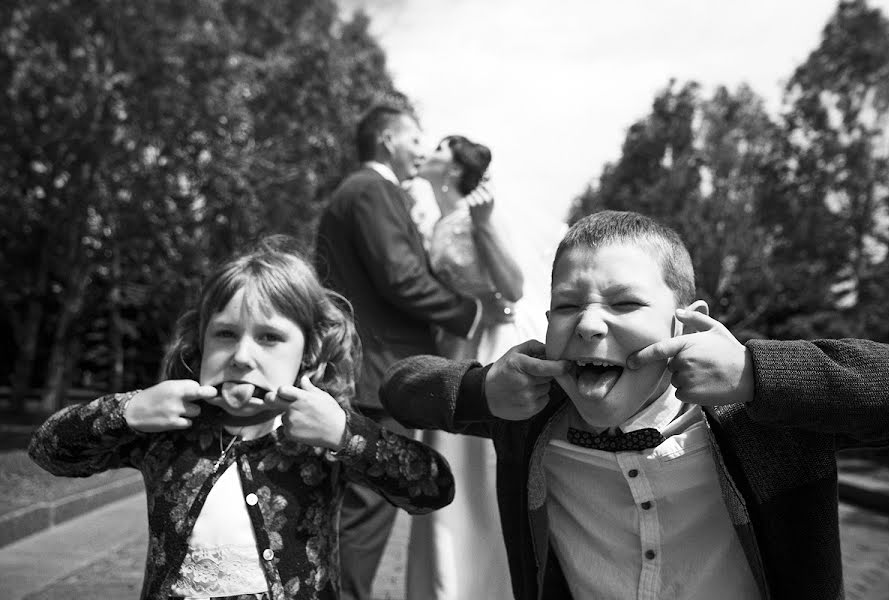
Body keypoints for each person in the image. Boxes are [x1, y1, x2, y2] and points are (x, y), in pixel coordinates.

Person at [380, 210, 889, 600]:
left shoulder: (761, 412)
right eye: (566, 305)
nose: (587, 324)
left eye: (624, 303)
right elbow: (399, 389)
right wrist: (483, 388)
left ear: (687, 322)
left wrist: (755, 375)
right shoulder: (531, 412)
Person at [28, 235, 455, 600]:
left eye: (269, 338)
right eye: (226, 334)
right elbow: (49, 450)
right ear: (200, 343)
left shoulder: (321, 436)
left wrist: (347, 435)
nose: (242, 356)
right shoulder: (167, 432)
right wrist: (127, 412)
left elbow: (432, 487)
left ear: (310, 356)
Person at [314, 106, 507, 600]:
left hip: (366, 365)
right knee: (366, 508)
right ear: (386, 139)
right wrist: (469, 315)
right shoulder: (370, 190)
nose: (422, 150)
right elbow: (400, 278)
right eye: (415, 138)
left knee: (357, 504)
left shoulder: (368, 192)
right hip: (378, 370)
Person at [402, 135, 547, 600]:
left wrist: (484, 224)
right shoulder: (440, 221)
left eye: (441, 147)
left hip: (493, 343)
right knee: (455, 465)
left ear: (457, 167)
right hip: (461, 343)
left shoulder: (480, 214)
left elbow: (514, 286)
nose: (428, 150)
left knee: (486, 467)